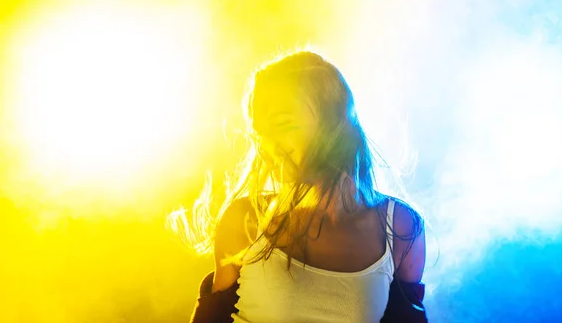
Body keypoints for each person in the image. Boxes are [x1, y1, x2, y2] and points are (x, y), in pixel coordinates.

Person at [172, 51, 427, 322]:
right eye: (261, 132)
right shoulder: (245, 220)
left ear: (333, 124)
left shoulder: (400, 229)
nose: (267, 146)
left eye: (283, 125)